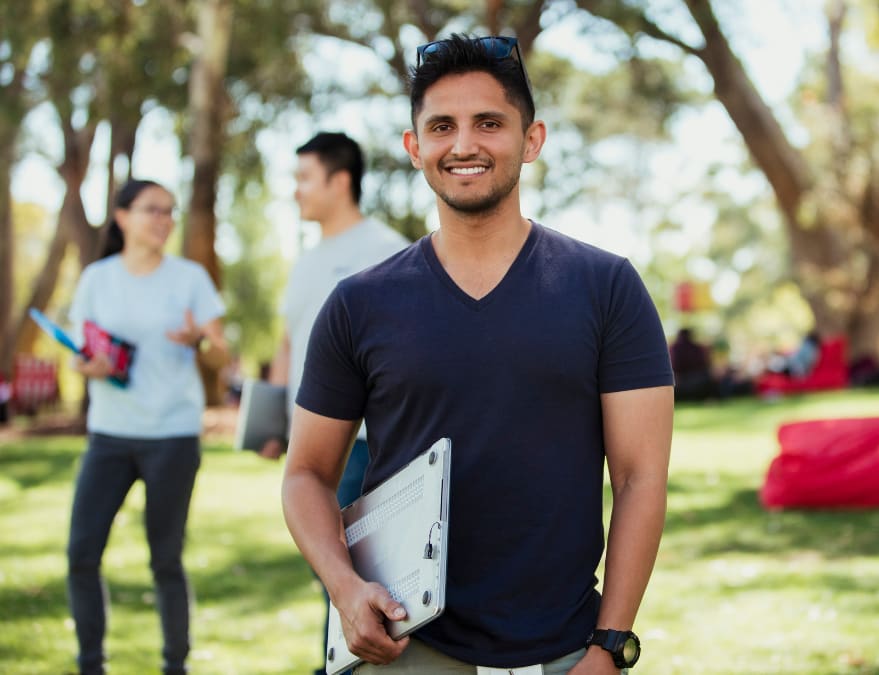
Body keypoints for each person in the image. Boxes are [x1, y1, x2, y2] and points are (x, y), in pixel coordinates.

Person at [281, 33, 675, 674]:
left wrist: (610, 646)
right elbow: (306, 476)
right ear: (414, 148)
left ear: (532, 140)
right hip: (410, 645)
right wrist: (345, 590)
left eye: (488, 123)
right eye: (442, 126)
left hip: (570, 649)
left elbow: (638, 479)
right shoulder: (358, 304)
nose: (463, 144)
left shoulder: (607, 288)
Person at [257, 131, 409, 674]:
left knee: (357, 581)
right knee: (330, 577)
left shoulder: (386, 250)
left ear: (339, 180)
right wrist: (275, 421)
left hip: (365, 449)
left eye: (304, 178)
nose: (295, 191)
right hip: (310, 448)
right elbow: (288, 343)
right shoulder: (306, 260)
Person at [66, 179, 228, 675]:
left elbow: (222, 354)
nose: (164, 219)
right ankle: (91, 664)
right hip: (110, 435)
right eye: (151, 210)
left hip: (173, 437)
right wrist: (88, 366)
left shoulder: (190, 277)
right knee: (81, 552)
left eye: (170, 211)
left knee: (165, 560)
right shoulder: (97, 278)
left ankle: (174, 665)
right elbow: (80, 352)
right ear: (121, 217)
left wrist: (199, 338)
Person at [669, 327, 716, 401]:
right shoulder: (697, 348)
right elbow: (705, 365)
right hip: (698, 384)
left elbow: (673, 367)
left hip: (680, 386)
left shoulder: (674, 348)